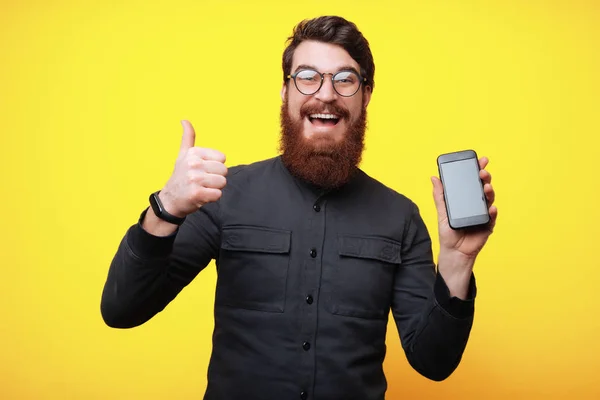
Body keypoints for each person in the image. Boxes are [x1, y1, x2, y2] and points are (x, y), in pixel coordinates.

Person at [101, 15, 497, 400]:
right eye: (308, 77)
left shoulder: (401, 217)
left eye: (345, 80)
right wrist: (166, 207)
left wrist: (457, 263)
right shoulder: (223, 196)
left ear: (366, 95)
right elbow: (122, 309)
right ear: (285, 91)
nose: (325, 94)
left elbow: (434, 361)